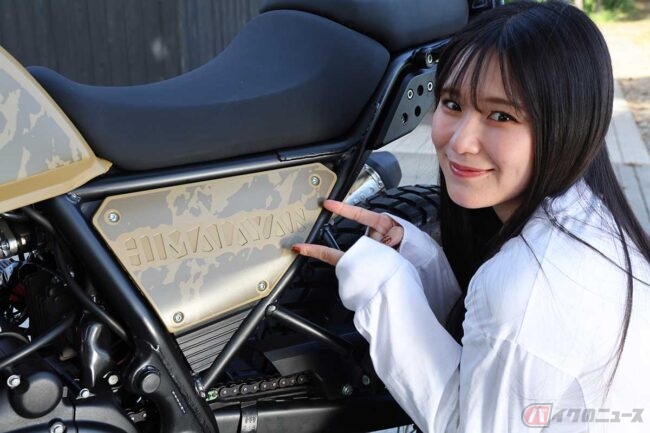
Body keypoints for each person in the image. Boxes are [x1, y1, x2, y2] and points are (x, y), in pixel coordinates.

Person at [292, 1, 650, 432]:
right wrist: (420, 261)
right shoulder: (585, 216)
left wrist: (383, 288)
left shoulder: (531, 286)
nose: (461, 142)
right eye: (452, 103)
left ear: (569, 125)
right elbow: (485, 356)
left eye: (501, 115)